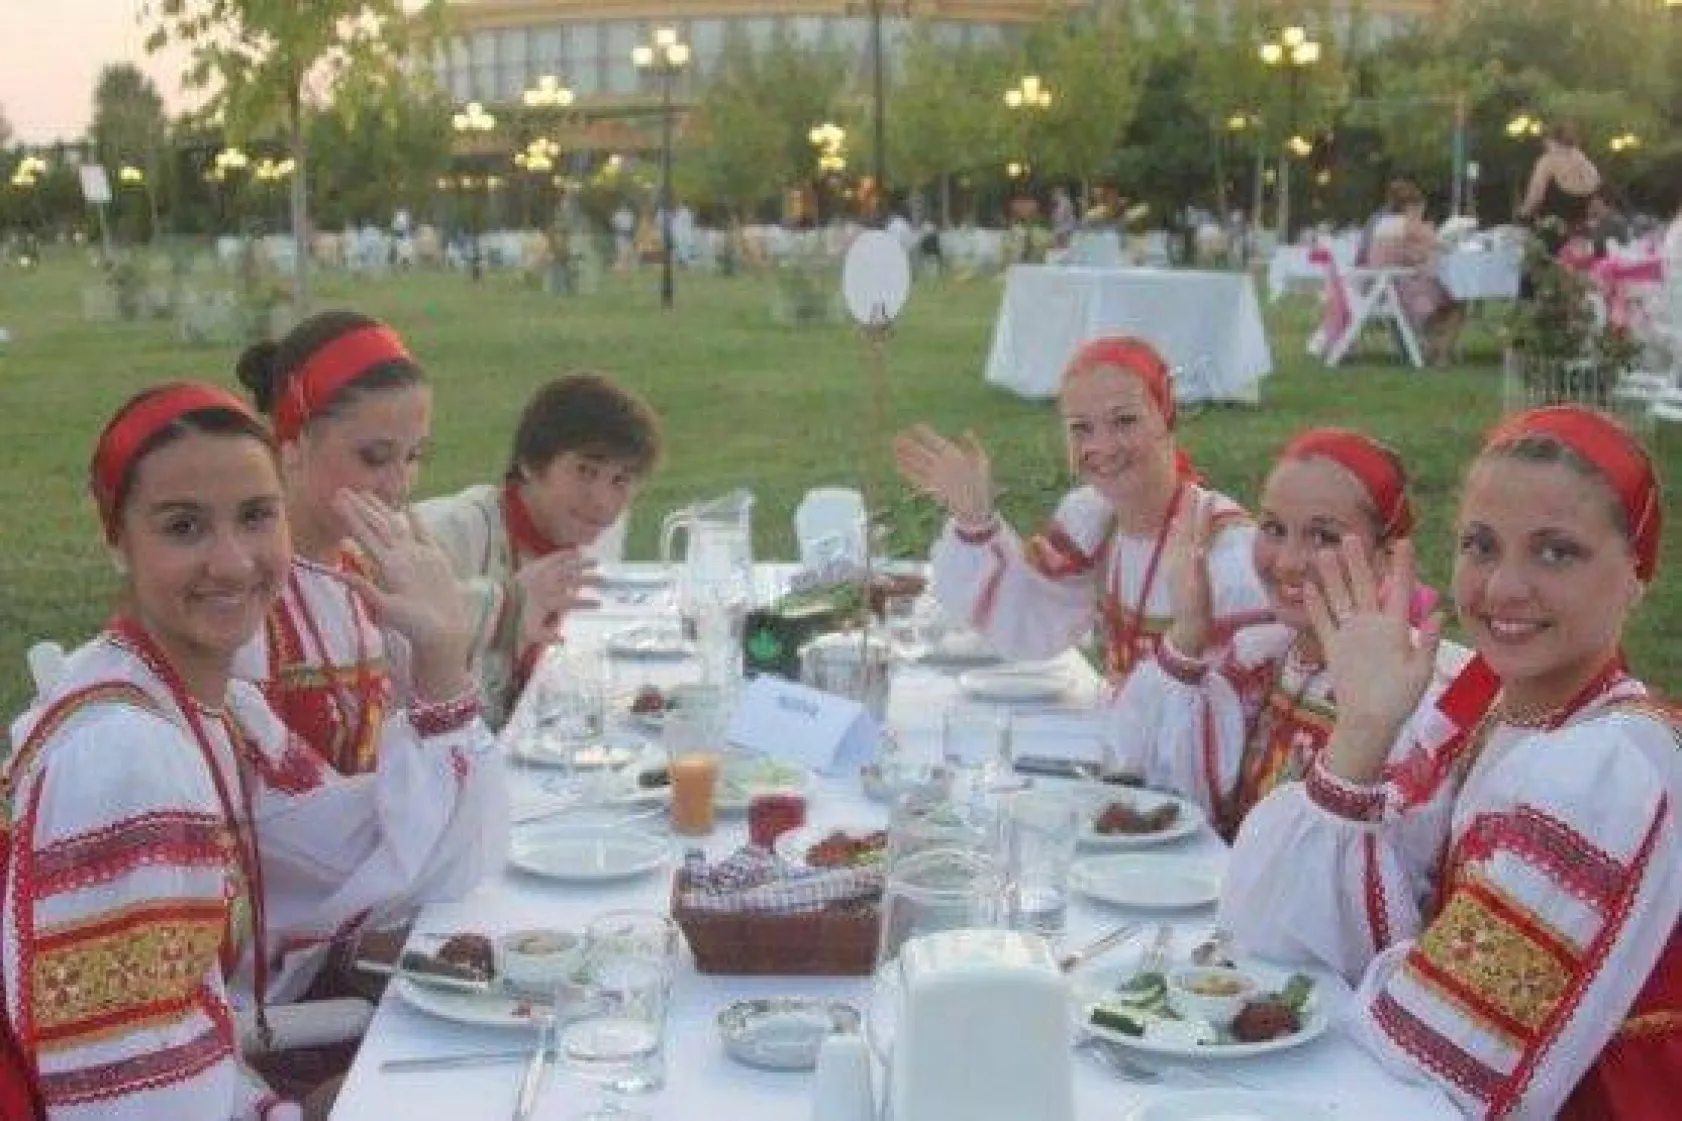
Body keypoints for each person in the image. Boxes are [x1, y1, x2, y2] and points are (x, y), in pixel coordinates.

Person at [0, 384, 506, 1120]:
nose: (233, 562)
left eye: (256, 516)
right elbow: (128, 1093)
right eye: (183, 527)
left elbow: (392, 856)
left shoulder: (222, 709)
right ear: (116, 537)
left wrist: (441, 664)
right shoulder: (129, 753)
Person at [1220, 406, 1678, 1119]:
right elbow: (1280, 933)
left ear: (1637, 577)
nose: (1502, 588)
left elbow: (1441, 1052)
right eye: (1481, 546)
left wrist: (1386, 978)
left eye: (1556, 551)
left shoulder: (1611, 767)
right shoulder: (1482, 712)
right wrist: (1362, 732)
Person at [1109, 428, 1465, 835]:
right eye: (1275, 529)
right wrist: (1188, 630)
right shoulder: (1262, 658)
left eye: (1323, 536)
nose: (1288, 562)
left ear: (1386, 557)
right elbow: (1156, 790)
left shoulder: (1415, 705)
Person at [894, 335, 1270, 697]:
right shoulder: (1096, 519)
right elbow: (1033, 622)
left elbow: (1243, 724)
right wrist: (975, 520)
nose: (1102, 446)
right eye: (1081, 429)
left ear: (1167, 420)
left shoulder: (1227, 557)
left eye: (1125, 421)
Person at [234, 311, 463, 777]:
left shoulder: (368, 570)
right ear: (292, 446)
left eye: (414, 455)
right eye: (374, 457)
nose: (399, 483)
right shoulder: (244, 595)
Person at [415, 373, 663, 728]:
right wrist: (506, 606)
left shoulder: (590, 532)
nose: (603, 502)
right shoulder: (445, 534)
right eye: (585, 471)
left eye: (620, 480)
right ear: (530, 463)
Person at [1367, 179, 1465, 364]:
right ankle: (1441, 356)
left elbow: (1407, 255)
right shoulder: (1409, 225)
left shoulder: (1383, 224)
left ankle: (1431, 349)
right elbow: (1443, 244)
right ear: (1411, 206)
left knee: (1439, 298)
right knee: (1457, 303)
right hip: (1402, 289)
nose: (1422, 212)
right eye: (1420, 208)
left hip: (1381, 290)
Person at [1517, 121, 1601, 254]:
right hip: (1583, 237)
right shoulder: (1588, 164)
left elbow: (1535, 198)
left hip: (1554, 237)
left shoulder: (1548, 162)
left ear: (1550, 140)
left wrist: (1521, 216)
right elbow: (1595, 204)